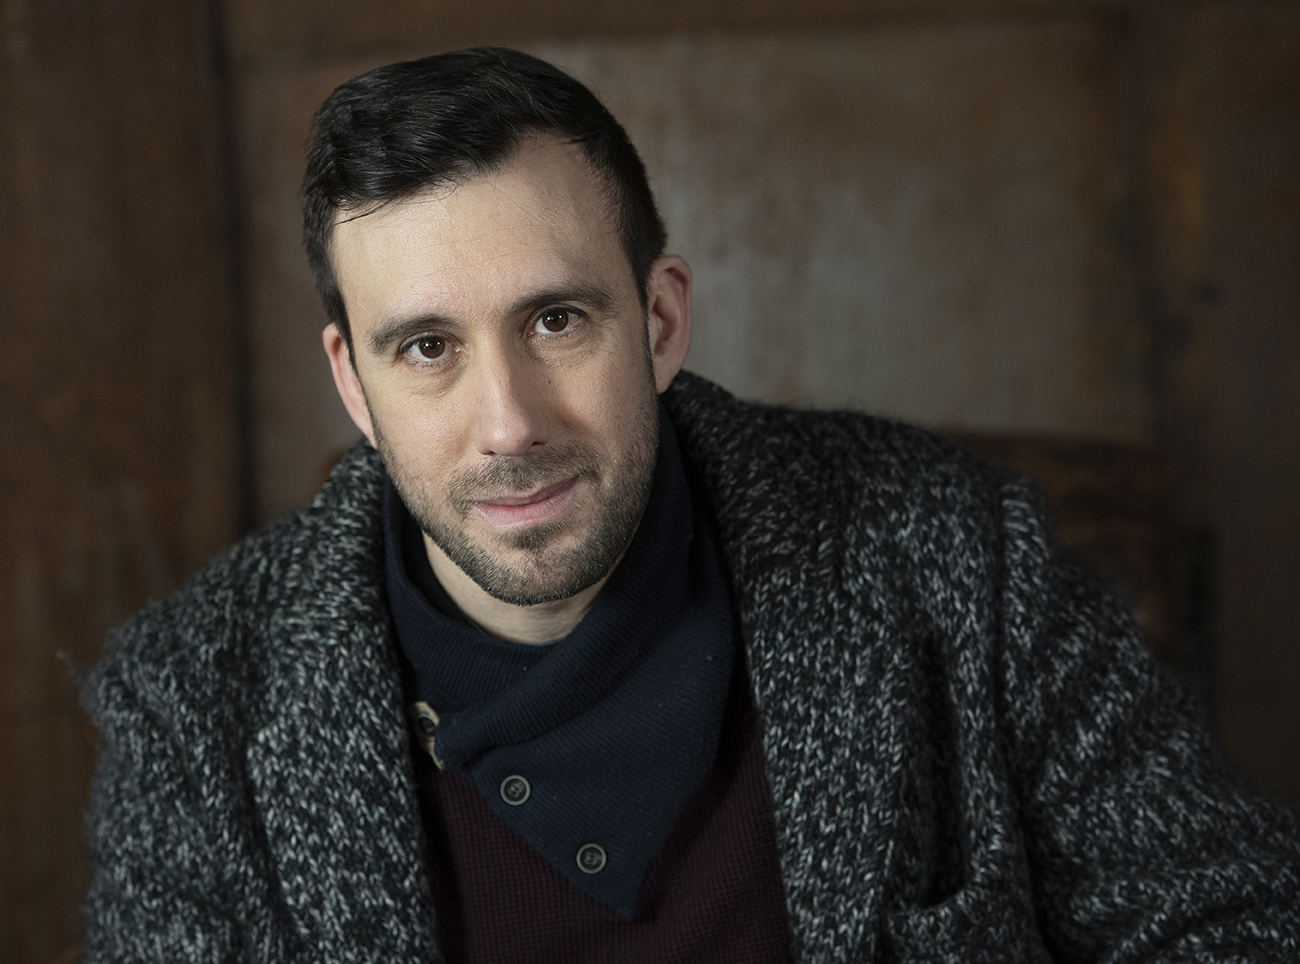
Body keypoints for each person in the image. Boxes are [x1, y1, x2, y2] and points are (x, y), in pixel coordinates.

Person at [80, 47, 1300, 962]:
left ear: (660, 321)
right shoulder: (192, 700)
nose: (509, 423)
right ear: (353, 381)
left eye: (556, 320)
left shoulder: (958, 556)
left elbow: (1240, 920)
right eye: (427, 348)